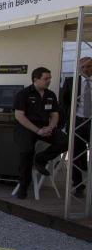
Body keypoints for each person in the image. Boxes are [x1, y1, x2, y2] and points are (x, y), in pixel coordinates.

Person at [13, 66, 68, 199]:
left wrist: (50, 127)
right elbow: (19, 116)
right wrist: (38, 130)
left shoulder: (50, 95)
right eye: (46, 78)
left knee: (65, 141)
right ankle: (23, 186)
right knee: (26, 152)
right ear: (35, 79)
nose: (49, 81)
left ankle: (41, 159)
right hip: (27, 127)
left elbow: (55, 115)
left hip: (45, 127)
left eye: (50, 78)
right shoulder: (23, 94)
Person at [61, 57, 92, 198]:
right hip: (77, 122)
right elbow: (63, 103)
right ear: (79, 69)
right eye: (83, 67)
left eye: (89, 66)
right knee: (74, 154)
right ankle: (78, 184)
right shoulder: (71, 82)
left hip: (91, 121)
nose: (87, 69)